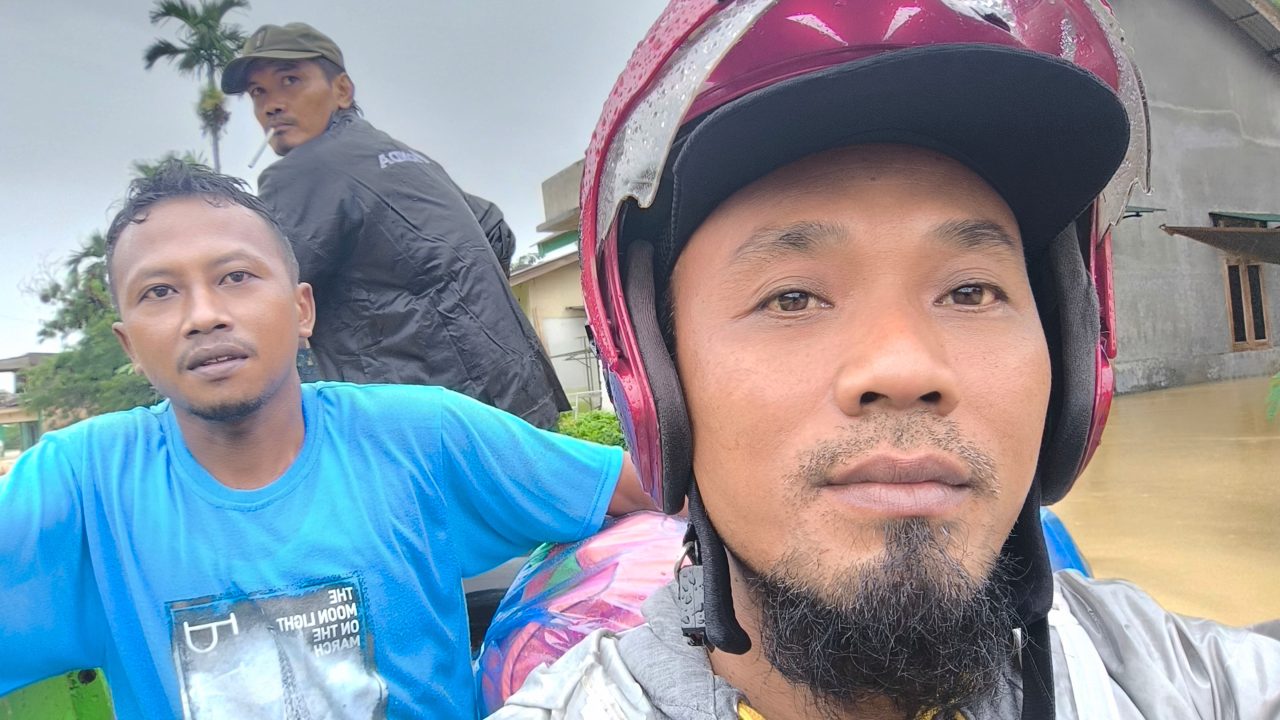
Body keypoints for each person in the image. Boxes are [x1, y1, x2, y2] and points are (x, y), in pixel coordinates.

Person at [493, 1, 1280, 718]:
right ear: (657, 384)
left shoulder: (1174, 685)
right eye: (792, 298)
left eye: (970, 291)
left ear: (1070, 362)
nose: (904, 369)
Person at [0, 161, 653, 719]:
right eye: (160, 291)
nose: (204, 315)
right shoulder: (80, 483)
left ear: (301, 309)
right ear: (130, 345)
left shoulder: (421, 435)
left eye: (236, 277)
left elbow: (649, 489)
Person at [220, 23, 568, 429]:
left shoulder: (301, 173)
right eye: (258, 92)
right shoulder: (407, 159)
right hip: (518, 393)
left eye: (290, 81)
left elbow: (258, 293)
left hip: (424, 423)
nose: (271, 106)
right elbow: (494, 227)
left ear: (342, 90)